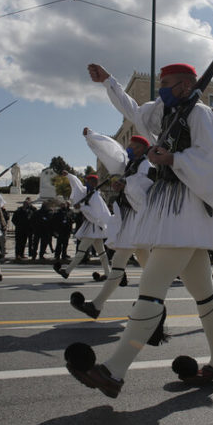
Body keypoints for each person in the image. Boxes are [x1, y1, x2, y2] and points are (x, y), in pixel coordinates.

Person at [64, 62, 213, 399]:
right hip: (173, 208)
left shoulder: (200, 116)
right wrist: (109, 82)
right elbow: (134, 111)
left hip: (186, 210)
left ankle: (114, 371)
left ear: (186, 86)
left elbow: (211, 158)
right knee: (204, 294)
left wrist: (173, 159)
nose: (162, 88)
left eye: (168, 83)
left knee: (151, 288)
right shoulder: (166, 113)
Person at [70, 129, 153, 318]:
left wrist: (125, 184)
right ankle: (150, 303)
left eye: (133, 146)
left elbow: (144, 185)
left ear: (141, 148)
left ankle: (97, 305)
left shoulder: (145, 164)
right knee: (149, 267)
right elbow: (109, 151)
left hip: (134, 218)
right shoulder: (132, 164)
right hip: (129, 216)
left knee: (119, 262)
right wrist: (92, 137)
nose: (129, 148)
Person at [55, 172, 111, 280]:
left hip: (93, 228)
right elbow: (77, 184)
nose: (89, 183)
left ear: (94, 183)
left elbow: (96, 213)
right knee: (102, 253)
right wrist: (69, 176)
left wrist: (82, 207)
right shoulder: (87, 192)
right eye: (89, 181)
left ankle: (67, 271)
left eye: (91, 181)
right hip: (92, 227)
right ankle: (108, 273)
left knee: (81, 251)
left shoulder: (95, 196)